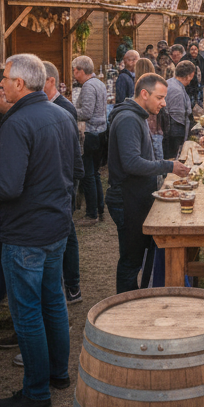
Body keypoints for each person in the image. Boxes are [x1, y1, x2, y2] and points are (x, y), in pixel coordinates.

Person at [0, 54, 84, 407]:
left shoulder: (17, 122)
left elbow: (7, 187)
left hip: (27, 233)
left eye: (5, 79)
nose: (1, 84)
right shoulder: (61, 114)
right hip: (55, 227)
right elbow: (75, 170)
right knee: (52, 302)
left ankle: (37, 392)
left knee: (28, 312)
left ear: (20, 83)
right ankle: (58, 374)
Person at [106, 73, 190, 292]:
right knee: (131, 260)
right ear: (144, 94)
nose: (164, 103)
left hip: (136, 196)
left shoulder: (137, 116)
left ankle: (137, 300)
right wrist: (168, 166)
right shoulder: (128, 120)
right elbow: (131, 163)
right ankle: (126, 311)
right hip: (126, 198)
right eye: (160, 97)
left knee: (137, 256)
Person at [41, 61, 82, 304]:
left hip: (63, 181)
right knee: (68, 233)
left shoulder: (64, 107)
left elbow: (69, 151)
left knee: (68, 234)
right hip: (61, 181)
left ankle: (73, 287)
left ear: (51, 81)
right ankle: (72, 287)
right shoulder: (53, 106)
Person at [72, 56, 107, 227]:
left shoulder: (88, 86)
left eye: (74, 70)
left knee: (88, 175)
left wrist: (68, 110)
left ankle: (92, 214)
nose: (73, 74)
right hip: (100, 133)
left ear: (80, 70)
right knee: (95, 174)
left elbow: (86, 112)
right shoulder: (99, 83)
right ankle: (100, 209)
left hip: (91, 134)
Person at [162, 61, 196, 159]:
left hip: (169, 130)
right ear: (191, 75)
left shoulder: (170, 82)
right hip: (174, 133)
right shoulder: (177, 91)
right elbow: (178, 117)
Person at [134, 57, 165, 159]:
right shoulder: (157, 86)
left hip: (143, 129)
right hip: (156, 128)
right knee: (158, 159)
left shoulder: (137, 91)